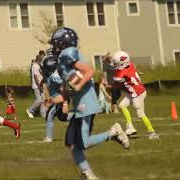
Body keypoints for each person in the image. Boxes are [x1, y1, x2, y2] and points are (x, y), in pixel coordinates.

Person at [49, 27, 130, 180]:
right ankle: (88, 174)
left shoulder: (68, 54)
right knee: (72, 144)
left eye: (57, 44)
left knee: (83, 143)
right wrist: (50, 101)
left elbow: (89, 71)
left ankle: (113, 132)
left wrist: (78, 86)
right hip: (79, 103)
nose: (54, 47)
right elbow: (66, 92)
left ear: (64, 44)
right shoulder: (63, 63)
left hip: (86, 104)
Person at [111, 50, 159, 140]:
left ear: (122, 62)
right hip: (134, 92)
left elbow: (117, 81)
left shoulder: (121, 73)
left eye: (116, 63)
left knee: (140, 114)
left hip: (137, 93)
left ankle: (152, 132)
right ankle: (130, 127)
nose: (115, 64)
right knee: (122, 105)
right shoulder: (131, 65)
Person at [40, 52, 72, 142]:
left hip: (61, 98)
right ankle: (79, 116)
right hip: (57, 98)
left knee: (49, 116)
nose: (43, 69)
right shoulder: (52, 74)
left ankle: (49, 138)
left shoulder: (55, 76)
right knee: (62, 117)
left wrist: (65, 103)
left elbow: (63, 88)